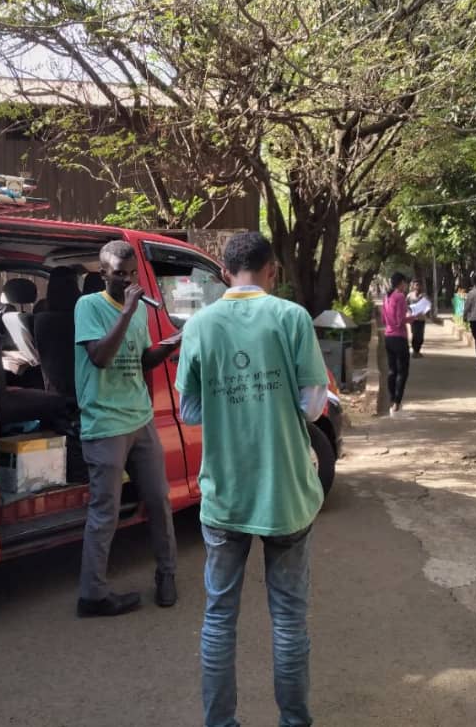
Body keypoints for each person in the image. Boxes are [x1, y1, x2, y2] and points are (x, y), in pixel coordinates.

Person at [175, 231, 328, 727]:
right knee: (288, 619)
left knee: (219, 618)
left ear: (223, 273)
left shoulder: (200, 324)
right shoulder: (291, 318)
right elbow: (313, 404)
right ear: (272, 271)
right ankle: (294, 722)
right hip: (284, 492)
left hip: (224, 493)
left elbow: (190, 409)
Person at [73, 240, 182, 617]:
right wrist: (126, 312)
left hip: (140, 418)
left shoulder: (138, 314)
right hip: (105, 423)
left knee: (159, 499)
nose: (127, 280)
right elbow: (101, 358)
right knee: (106, 511)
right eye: (118, 274)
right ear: (102, 274)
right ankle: (93, 595)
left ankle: (166, 574)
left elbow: (141, 361)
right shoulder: (88, 306)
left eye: (131, 273)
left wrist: (170, 344)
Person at [382, 272, 410, 413]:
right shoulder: (400, 296)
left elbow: (383, 319)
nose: (406, 286)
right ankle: (397, 402)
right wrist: (412, 318)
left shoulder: (386, 297)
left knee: (392, 370)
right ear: (401, 283)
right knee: (402, 371)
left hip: (388, 337)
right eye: (405, 283)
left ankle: (392, 399)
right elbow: (400, 321)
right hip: (399, 338)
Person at [406, 279, 431, 358]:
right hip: (413, 319)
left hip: (421, 318)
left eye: (419, 285)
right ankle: (415, 351)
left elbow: (428, 305)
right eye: (416, 285)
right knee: (414, 335)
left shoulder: (424, 295)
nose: (417, 286)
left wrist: (427, 311)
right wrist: (409, 311)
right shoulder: (410, 295)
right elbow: (406, 305)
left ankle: (418, 350)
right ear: (413, 286)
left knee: (420, 336)